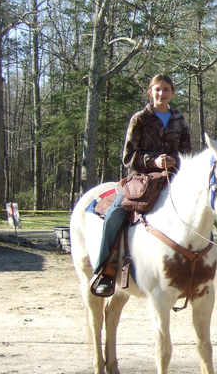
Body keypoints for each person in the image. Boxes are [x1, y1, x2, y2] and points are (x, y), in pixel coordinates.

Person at [91, 74, 192, 296]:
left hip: (174, 178)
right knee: (115, 214)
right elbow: (128, 156)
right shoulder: (139, 119)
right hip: (142, 179)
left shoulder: (179, 120)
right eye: (157, 89)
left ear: (172, 93)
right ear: (150, 92)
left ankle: (197, 269)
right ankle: (106, 271)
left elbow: (187, 152)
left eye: (166, 90)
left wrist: (176, 160)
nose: (161, 94)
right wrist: (153, 161)